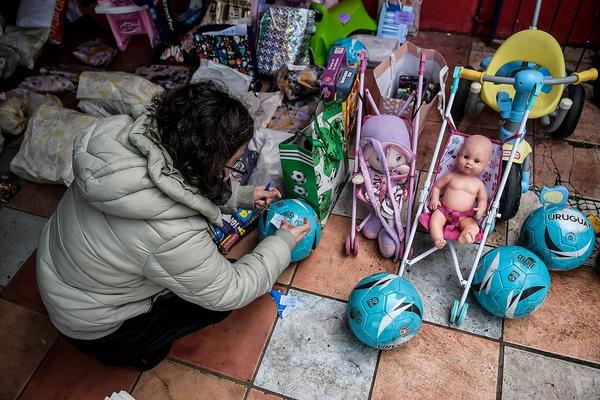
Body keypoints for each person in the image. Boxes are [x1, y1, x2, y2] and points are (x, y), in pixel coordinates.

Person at [36, 81, 310, 371]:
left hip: (58, 276)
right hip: (93, 324)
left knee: (193, 272)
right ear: (208, 167)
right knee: (207, 308)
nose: (231, 174)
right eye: (231, 165)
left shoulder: (124, 136)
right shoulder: (173, 233)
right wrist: (282, 242)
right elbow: (231, 289)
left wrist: (239, 196)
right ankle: (127, 351)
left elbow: (166, 176)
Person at [428, 134, 492, 249]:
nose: (469, 163)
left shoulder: (479, 184)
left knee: (474, 227)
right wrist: (435, 198)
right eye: (466, 157)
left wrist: (481, 209)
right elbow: (437, 186)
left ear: (486, 165)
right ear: (458, 155)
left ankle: (466, 235)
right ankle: (438, 238)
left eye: (476, 161)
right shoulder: (451, 176)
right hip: (444, 211)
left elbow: (483, 200)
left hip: (464, 217)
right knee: (435, 220)